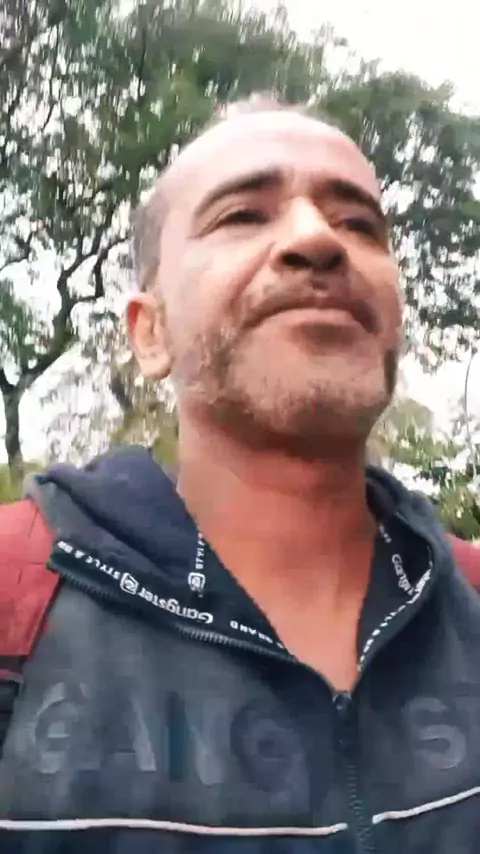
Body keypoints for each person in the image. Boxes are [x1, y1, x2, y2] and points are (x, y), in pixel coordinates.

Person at [1, 95, 479, 853]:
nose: (318, 239)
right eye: (243, 216)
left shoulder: (468, 594)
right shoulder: (16, 594)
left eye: (359, 224)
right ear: (150, 334)